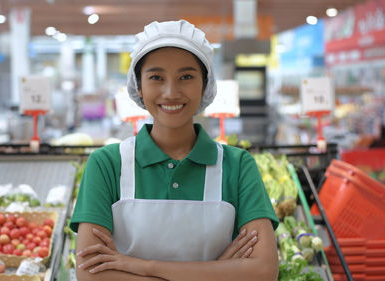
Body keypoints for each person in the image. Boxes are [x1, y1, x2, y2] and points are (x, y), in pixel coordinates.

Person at [69, 20, 279, 281]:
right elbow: (91, 274)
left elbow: (263, 270)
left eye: (186, 77)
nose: (171, 92)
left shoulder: (237, 166)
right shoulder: (107, 164)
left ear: (205, 84)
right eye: (156, 77)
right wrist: (219, 270)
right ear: (138, 86)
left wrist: (143, 267)